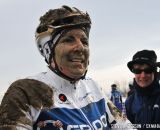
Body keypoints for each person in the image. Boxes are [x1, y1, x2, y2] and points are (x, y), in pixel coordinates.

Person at [0, 5, 134, 130]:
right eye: (68, 40)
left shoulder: (93, 87)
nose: (80, 47)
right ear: (49, 50)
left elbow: (124, 125)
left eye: (84, 41)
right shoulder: (26, 91)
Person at [125, 49, 160, 129]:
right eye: (137, 70)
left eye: (148, 70)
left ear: (154, 72)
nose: (143, 75)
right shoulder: (129, 102)